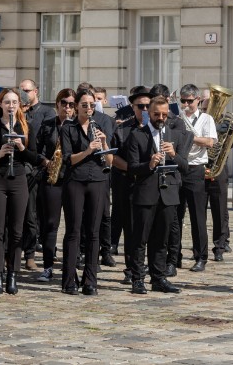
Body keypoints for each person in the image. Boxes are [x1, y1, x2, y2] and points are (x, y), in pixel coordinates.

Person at [127, 95, 193, 294]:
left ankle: (158, 278)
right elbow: (131, 167)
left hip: (168, 194)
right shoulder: (137, 135)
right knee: (140, 239)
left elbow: (184, 167)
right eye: (157, 114)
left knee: (161, 240)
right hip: (146, 194)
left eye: (164, 114)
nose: (161, 117)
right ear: (149, 113)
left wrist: (173, 154)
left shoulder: (175, 135)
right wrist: (150, 164)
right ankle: (137, 279)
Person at [0, 88, 40, 295]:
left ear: (19, 105)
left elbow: (35, 158)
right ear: (1, 105)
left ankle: (13, 274)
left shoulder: (26, 127)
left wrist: (21, 148)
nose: (11, 106)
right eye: (7, 102)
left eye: (15, 102)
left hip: (19, 179)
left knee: (17, 230)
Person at [59, 89, 115, 296]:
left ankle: (90, 280)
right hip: (75, 181)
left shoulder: (100, 126)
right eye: (84, 105)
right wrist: (88, 150)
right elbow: (68, 159)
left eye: (92, 105)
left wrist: (104, 143)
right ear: (76, 107)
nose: (89, 108)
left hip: (99, 180)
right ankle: (68, 280)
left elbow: (110, 161)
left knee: (94, 232)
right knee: (73, 231)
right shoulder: (68, 128)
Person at [167, 84, 217, 274]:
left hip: (196, 169)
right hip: (177, 167)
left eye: (190, 101)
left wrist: (187, 137)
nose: (186, 104)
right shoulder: (176, 118)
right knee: (174, 216)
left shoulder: (206, 119)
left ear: (198, 100)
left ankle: (200, 257)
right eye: (183, 101)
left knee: (198, 217)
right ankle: (174, 257)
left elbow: (210, 141)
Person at [110, 86, 153, 284]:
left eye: (147, 106)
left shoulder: (158, 127)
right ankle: (131, 268)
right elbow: (112, 155)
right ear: (132, 107)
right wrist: (132, 169)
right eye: (140, 106)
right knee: (130, 228)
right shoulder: (123, 128)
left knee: (151, 229)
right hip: (128, 181)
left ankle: (153, 267)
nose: (144, 110)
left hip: (151, 184)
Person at [35, 88, 76, 283]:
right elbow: (38, 150)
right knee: (50, 224)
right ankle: (48, 267)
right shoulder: (47, 125)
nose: (67, 108)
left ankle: (71, 268)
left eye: (71, 104)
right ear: (57, 104)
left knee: (74, 226)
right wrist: (46, 162)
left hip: (72, 179)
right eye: (63, 103)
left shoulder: (78, 126)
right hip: (52, 178)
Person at [19, 78, 55, 271]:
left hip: (39, 166)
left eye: (27, 90)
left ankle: (33, 253)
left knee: (36, 215)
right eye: (21, 90)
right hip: (22, 167)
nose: (24, 94)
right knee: (24, 214)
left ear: (36, 91)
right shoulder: (17, 112)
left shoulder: (47, 112)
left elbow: (47, 140)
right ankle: (22, 253)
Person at [201, 88, 230, 258]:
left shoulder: (225, 122)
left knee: (219, 211)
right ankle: (201, 247)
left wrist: (219, 134)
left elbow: (229, 146)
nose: (208, 108)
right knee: (200, 212)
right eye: (205, 107)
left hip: (218, 170)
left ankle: (220, 247)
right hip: (200, 168)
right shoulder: (197, 121)